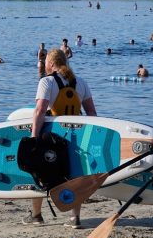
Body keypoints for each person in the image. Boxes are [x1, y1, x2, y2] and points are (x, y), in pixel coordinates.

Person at [24, 48, 98, 228]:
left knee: (38, 171)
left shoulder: (47, 82)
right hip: (76, 135)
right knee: (74, 174)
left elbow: (40, 111)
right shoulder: (81, 82)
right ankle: (75, 218)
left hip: (52, 136)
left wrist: (34, 137)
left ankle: (36, 215)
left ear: (50, 64)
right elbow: (92, 114)